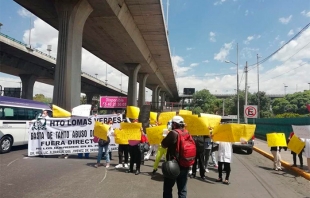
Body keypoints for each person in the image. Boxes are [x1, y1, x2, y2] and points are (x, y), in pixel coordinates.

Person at [161, 115, 189, 198]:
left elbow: (163, 145)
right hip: (185, 163)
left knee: (168, 189)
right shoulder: (186, 132)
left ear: (174, 124)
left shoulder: (173, 133)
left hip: (173, 165)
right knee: (182, 189)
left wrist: (167, 135)